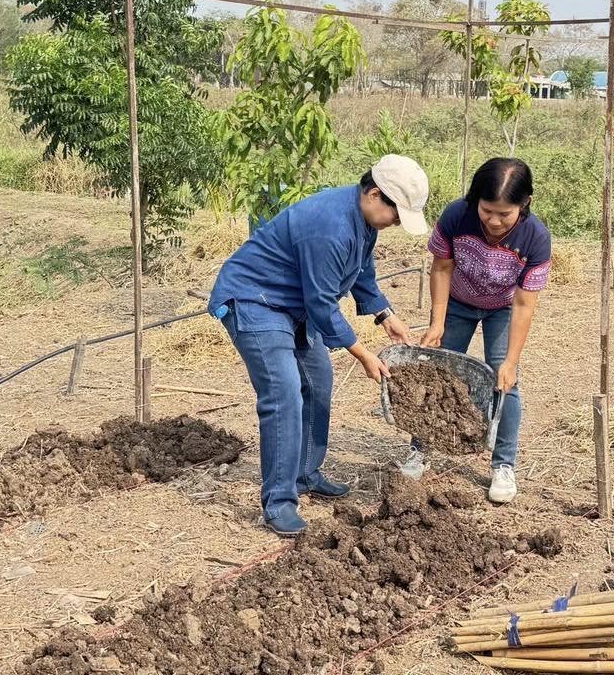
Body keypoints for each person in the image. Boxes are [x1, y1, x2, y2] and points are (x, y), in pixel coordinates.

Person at [208, 154, 427, 536]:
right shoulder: (330, 226)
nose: (395, 223)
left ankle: (306, 472)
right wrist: (362, 353)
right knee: (284, 394)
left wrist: (385, 315)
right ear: (375, 194)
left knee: (318, 382)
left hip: (292, 306)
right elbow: (322, 303)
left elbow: (362, 273)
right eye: (396, 213)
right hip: (254, 301)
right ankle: (279, 501)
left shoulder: (363, 221)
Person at [413, 157, 550, 504]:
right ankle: (421, 450)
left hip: (503, 308)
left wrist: (512, 360)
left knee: (504, 381)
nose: (493, 220)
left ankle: (503, 465)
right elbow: (442, 268)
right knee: (437, 374)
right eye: (487, 210)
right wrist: (437, 323)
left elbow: (523, 304)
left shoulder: (536, 238)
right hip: (457, 301)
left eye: (505, 214)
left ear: (525, 204)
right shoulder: (457, 216)